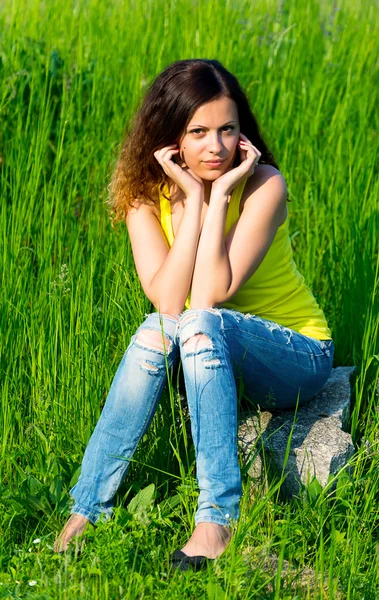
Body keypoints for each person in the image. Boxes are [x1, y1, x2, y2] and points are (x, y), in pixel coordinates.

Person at [54, 59, 334, 570]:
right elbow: (166, 303)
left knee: (196, 320)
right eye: (198, 132)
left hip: (295, 353)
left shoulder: (263, 187)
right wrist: (193, 200)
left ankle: (215, 521)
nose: (216, 146)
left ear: (242, 135)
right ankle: (87, 508)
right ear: (170, 140)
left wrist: (222, 193)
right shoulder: (145, 198)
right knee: (157, 328)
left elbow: (209, 294)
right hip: (206, 344)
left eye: (228, 129)